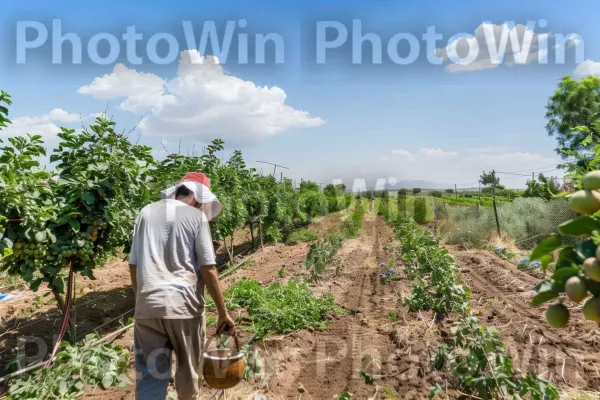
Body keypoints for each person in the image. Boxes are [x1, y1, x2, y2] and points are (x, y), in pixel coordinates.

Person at [128, 172, 235, 400]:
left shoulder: (145, 212)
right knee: (188, 372)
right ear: (198, 197)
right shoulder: (196, 218)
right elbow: (208, 268)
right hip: (184, 307)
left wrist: (142, 302)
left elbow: (134, 266)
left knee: (150, 376)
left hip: (147, 306)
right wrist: (223, 313)